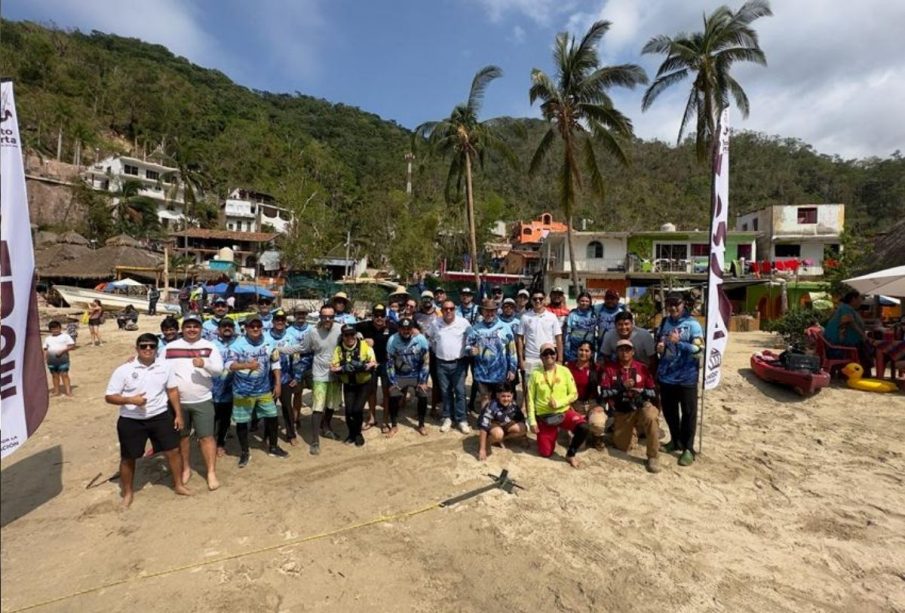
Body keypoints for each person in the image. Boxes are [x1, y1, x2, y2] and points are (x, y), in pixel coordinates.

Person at [105, 333, 190, 507]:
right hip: (131, 419)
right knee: (128, 457)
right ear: (137, 349)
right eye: (143, 346)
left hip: (160, 416)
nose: (148, 349)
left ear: (157, 348)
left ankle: (179, 485)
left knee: (173, 451)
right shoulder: (124, 370)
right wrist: (130, 400)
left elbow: (172, 391)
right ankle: (127, 493)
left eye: (152, 346)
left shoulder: (165, 367)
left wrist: (178, 414)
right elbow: (109, 397)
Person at [163, 313, 225, 490]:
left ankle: (211, 472)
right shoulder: (170, 347)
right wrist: (134, 360)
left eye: (195, 326)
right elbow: (156, 366)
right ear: (182, 328)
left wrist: (204, 364)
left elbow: (219, 371)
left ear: (201, 328)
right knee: (182, 437)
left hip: (202, 400)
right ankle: (186, 468)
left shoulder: (209, 346)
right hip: (177, 402)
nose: (192, 329)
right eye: (188, 326)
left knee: (206, 437)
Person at [224, 313, 286, 467]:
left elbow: (276, 363)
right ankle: (245, 452)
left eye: (258, 325)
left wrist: (278, 383)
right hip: (242, 391)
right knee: (242, 422)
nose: (256, 328)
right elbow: (228, 365)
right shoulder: (237, 345)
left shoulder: (269, 342)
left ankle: (273, 446)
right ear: (245, 328)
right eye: (252, 325)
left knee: (272, 417)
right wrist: (246, 366)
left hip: (264, 390)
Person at [655, 291, 704, 467]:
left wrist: (679, 343)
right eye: (669, 304)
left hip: (687, 377)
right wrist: (660, 347)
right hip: (667, 376)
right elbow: (662, 344)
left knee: (688, 414)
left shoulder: (693, 325)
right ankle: (675, 440)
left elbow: (699, 351)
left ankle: (688, 449)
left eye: (676, 304)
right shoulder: (664, 322)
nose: (673, 308)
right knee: (670, 412)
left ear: (684, 305)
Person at [600, 339, 660, 473]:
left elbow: (653, 391)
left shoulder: (642, 368)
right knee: (623, 446)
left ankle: (653, 456)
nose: (624, 352)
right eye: (621, 349)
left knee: (650, 416)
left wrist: (641, 392)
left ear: (633, 352)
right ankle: (636, 431)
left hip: (641, 406)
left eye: (627, 349)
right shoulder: (610, 369)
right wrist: (621, 387)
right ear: (617, 352)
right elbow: (604, 393)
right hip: (623, 410)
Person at [290, 304, 343, 455]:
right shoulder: (313, 332)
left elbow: (354, 337)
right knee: (318, 407)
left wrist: (365, 340)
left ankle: (326, 427)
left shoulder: (340, 329)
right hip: (319, 374)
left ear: (334, 317)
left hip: (336, 374)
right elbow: (302, 348)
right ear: (319, 316)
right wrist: (280, 349)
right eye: (324, 316)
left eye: (331, 316)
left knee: (332, 404)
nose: (327, 319)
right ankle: (314, 440)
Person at [526, 342, 589, 467]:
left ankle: (570, 454)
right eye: (545, 353)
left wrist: (559, 402)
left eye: (552, 353)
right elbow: (530, 400)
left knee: (584, 428)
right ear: (541, 357)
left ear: (556, 355)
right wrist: (532, 421)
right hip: (545, 417)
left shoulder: (564, 371)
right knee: (546, 453)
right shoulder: (535, 374)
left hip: (563, 412)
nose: (549, 355)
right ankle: (552, 433)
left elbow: (574, 394)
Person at [466, 299, 517, 415]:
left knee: (501, 398)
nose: (489, 314)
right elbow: (468, 346)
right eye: (487, 311)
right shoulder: (475, 329)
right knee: (485, 398)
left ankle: (499, 422)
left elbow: (512, 351)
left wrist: (512, 369)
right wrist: (470, 351)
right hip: (481, 372)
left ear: (496, 311)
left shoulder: (505, 328)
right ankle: (485, 423)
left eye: (492, 311)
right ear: (482, 312)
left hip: (500, 373)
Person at [430, 300, 473, 433]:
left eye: (451, 308)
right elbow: (431, 341)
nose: (448, 311)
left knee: (460, 392)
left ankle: (462, 419)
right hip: (441, 362)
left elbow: (471, 338)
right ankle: (447, 417)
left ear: (455, 309)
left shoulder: (463, 323)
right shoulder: (435, 323)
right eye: (445, 309)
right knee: (445, 392)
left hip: (459, 363)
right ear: (441, 310)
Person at [331, 324, 377, 446]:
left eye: (352, 334)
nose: (350, 337)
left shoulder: (364, 346)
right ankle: (351, 434)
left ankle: (358, 434)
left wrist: (363, 366)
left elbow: (373, 362)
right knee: (349, 411)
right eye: (347, 335)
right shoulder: (339, 349)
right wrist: (343, 367)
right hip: (349, 383)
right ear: (343, 336)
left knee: (357, 410)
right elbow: (333, 367)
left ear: (356, 334)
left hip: (364, 383)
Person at [355, 304, 397, 432]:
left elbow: (408, 330)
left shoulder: (392, 327)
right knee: (371, 391)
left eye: (382, 315)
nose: (379, 318)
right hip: (371, 364)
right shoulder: (364, 326)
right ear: (372, 316)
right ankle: (372, 417)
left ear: (386, 316)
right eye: (376, 315)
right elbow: (348, 329)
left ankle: (385, 420)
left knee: (386, 392)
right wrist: (360, 338)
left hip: (387, 364)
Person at [386, 317, 430, 436]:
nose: (406, 331)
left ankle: (421, 424)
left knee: (423, 394)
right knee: (393, 395)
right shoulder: (392, 340)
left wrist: (423, 381)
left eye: (408, 329)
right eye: (403, 329)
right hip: (400, 375)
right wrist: (393, 382)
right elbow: (390, 363)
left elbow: (426, 361)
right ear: (399, 329)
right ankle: (394, 425)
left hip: (416, 373)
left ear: (412, 329)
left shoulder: (420, 339)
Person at [268, 310, 302, 446]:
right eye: (277, 319)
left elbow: (296, 358)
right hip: (269, 379)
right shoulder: (266, 337)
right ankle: (268, 434)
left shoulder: (290, 337)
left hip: (286, 378)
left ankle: (291, 434)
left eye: (282, 319)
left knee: (287, 407)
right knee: (269, 408)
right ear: (273, 321)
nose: (280, 322)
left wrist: (297, 376)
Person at [824, 290, 876, 369]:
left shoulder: (847, 308)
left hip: (841, 344)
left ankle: (864, 369)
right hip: (839, 346)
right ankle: (863, 371)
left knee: (867, 347)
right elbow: (847, 323)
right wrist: (864, 336)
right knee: (867, 348)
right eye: (860, 299)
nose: (861, 301)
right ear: (853, 299)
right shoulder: (846, 308)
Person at [476, 382, 527, 461]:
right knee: (498, 434)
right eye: (503, 396)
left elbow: (521, 419)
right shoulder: (492, 406)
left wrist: (524, 438)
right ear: (497, 395)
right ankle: (488, 442)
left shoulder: (513, 404)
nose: (506, 399)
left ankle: (501, 439)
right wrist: (482, 450)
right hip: (493, 425)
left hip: (504, 423)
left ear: (512, 395)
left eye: (508, 396)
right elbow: (483, 427)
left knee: (523, 428)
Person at [518, 290, 563, 376]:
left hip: (548, 357)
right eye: (535, 299)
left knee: (548, 386)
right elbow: (520, 339)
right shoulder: (525, 317)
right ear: (531, 301)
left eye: (540, 298)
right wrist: (521, 360)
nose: (538, 301)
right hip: (530, 358)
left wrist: (560, 359)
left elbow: (558, 338)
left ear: (545, 300)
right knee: (530, 387)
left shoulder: (552, 317)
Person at [287, 305, 315, 438]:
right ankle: (295, 419)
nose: (301, 316)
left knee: (317, 392)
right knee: (297, 394)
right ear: (294, 314)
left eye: (303, 313)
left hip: (311, 365)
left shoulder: (312, 329)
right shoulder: (289, 330)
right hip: (296, 365)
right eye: (298, 313)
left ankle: (316, 419)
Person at [211, 318, 237, 457]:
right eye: (224, 326)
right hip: (213, 389)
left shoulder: (239, 343)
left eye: (230, 326)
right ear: (218, 329)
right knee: (212, 418)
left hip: (231, 389)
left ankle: (221, 443)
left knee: (225, 419)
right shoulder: (211, 344)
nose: (227, 328)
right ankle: (209, 441)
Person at [415, 290, 441, 416]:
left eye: (429, 299)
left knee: (436, 381)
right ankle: (421, 406)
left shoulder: (439, 314)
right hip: (421, 352)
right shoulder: (417, 315)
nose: (427, 301)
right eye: (424, 298)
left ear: (433, 300)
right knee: (421, 379)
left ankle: (434, 407)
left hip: (435, 352)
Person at [43, 320, 76, 397]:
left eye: (57, 328)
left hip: (63, 359)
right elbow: (45, 349)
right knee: (54, 375)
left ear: (60, 328)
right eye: (53, 329)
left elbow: (72, 346)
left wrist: (62, 351)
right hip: (51, 360)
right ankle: (56, 391)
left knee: (64, 375)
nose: (55, 330)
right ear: (50, 330)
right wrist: (44, 358)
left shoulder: (65, 336)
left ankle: (68, 391)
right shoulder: (48, 338)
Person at [563, 291, 598, 363]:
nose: (584, 303)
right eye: (582, 301)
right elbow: (567, 334)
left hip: (589, 350)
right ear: (578, 301)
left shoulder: (594, 314)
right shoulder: (572, 315)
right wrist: (567, 351)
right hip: (574, 351)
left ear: (590, 302)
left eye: (587, 301)